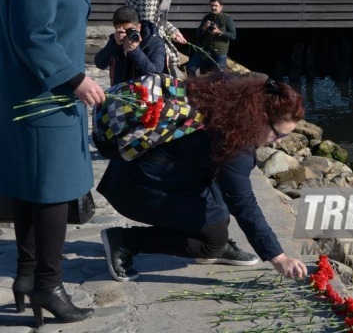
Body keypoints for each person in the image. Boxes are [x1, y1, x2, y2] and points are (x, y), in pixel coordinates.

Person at [0, 0, 108, 327]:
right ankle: (49, 285)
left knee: (31, 189)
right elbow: (34, 35)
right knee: (53, 190)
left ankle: (26, 275)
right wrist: (76, 79)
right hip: (45, 96)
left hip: (36, 95)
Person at [98, 74, 309, 282]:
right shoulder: (235, 145)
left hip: (136, 169)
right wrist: (278, 257)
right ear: (262, 118)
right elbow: (244, 204)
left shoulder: (231, 96)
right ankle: (125, 241)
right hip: (138, 187)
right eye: (279, 135)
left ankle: (211, 244)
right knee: (213, 239)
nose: (279, 142)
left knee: (218, 213)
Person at [94, 6, 166, 86]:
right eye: (123, 32)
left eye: (130, 30)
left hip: (145, 93)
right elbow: (99, 63)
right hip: (121, 93)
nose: (127, 35)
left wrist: (135, 51)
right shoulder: (116, 40)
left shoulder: (154, 41)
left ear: (139, 27)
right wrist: (114, 45)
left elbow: (156, 73)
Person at [186, 0, 236, 77]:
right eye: (212, 5)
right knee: (190, 67)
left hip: (219, 53)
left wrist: (219, 32)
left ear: (221, 7)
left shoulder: (227, 18)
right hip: (205, 52)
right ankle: (193, 86)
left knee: (219, 76)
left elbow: (233, 35)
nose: (213, 8)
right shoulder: (207, 18)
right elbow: (197, 35)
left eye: (216, 6)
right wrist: (204, 27)